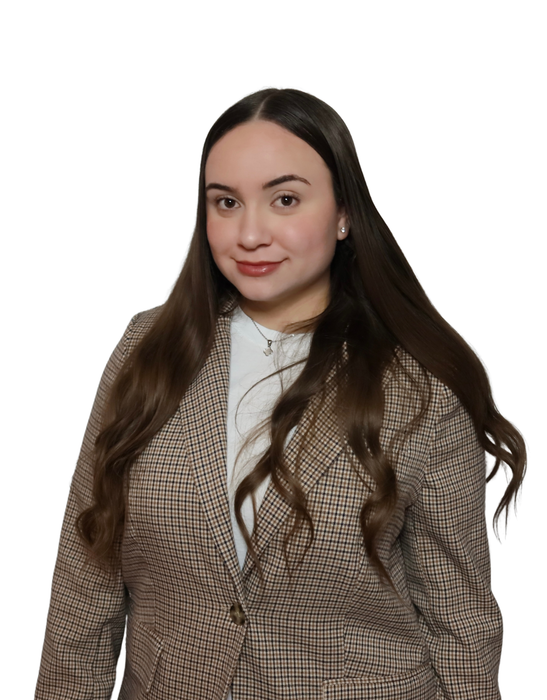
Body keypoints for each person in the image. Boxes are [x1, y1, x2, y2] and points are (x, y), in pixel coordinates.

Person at [35, 88, 526, 700]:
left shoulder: (420, 381)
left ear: (344, 213)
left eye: (285, 199)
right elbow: (87, 581)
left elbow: (460, 619)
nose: (249, 233)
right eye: (226, 202)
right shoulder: (148, 348)